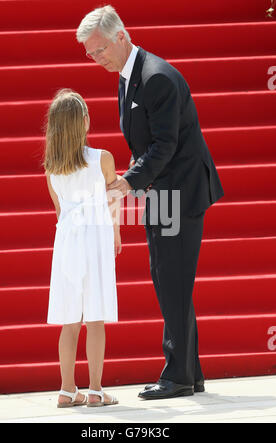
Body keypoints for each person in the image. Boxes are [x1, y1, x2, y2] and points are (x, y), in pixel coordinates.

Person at [76, 6, 225, 400]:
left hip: (178, 192)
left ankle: (177, 376)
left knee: (171, 280)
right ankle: (189, 373)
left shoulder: (156, 77)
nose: (96, 58)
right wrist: (136, 177)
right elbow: (146, 142)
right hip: (164, 191)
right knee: (169, 280)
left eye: (100, 49)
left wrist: (127, 182)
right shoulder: (129, 76)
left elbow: (164, 146)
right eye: (90, 53)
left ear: (121, 36)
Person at [43, 88, 121, 407]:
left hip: (67, 241)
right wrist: (115, 235)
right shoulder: (102, 158)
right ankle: (96, 390)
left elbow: (60, 212)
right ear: (85, 123)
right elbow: (113, 201)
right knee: (96, 316)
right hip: (96, 238)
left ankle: (66, 389)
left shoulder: (51, 168)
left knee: (69, 319)